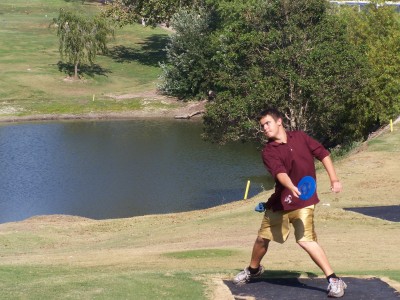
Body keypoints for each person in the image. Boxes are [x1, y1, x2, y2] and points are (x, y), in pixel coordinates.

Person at [233, 108, 347, 298]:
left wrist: (334, 179)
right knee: (262, 239)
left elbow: (323, 154)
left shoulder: (301, 137)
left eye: (267, 123)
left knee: (306, 240)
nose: (264, 128)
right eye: (262, 126)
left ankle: (334, 280)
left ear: (279, 122)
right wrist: (291, 186)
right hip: (280, 203)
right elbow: (280, 173)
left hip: (304, 201)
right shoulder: (268, 151)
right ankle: (253, 270)